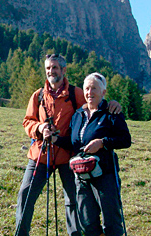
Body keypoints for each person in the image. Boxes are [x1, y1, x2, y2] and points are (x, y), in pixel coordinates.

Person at [15, 55, 121, 236]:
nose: (51, 72)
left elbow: (94, 105)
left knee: (73, 200)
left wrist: (112, 104)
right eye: (48, 68)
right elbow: (27, 122)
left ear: (63, 70)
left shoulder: (76, 93)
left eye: (55, 68)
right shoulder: (38, 95)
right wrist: (40, 127)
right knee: (26, 195)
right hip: (41, 154)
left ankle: (75, 234)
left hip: (68, 155)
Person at [47, 72, 131, 236]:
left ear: (103, 92)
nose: (89, 92)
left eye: (94, 88)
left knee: (112, 222)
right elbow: (73, 143)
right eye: (87, 88)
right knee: (87, 222)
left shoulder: (111, 112)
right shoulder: (78, 115)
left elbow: (125, 140)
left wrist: (103, 143)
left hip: (106, 174)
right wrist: (55, 140)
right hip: (82, 176)